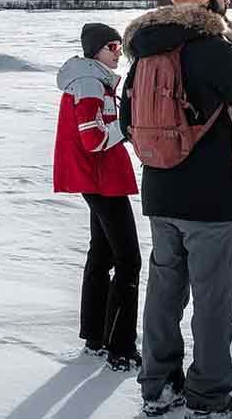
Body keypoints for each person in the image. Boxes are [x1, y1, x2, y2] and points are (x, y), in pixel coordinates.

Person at [120, 0, 232, 419]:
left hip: (160, 195)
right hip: (211, 201)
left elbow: (129, 122)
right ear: (211, 0)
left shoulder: (145, 53)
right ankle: (208, 396)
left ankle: (158, 385)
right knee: (212, 300)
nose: (229, 1)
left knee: (164, 293)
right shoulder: (212, 49)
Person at [53, 23, 142, 371]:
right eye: (112, 45)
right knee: (128, 260)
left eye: (119, 45)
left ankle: (94, 336)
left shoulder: (94, 80)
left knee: (102, 253)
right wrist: (129, 126)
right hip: (101, 180)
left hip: (99, 180)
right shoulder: (90, 83)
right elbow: (93, 139)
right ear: (95, 50)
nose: (118, 50)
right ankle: (120, 348)